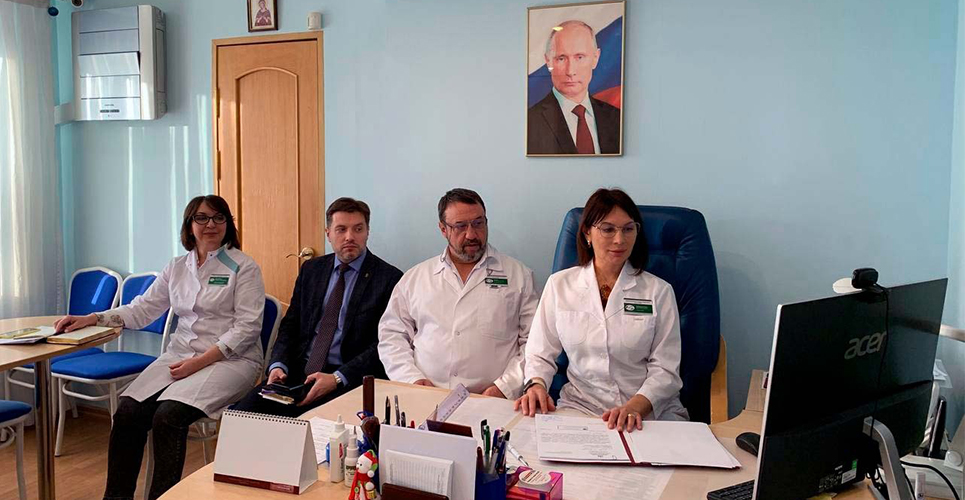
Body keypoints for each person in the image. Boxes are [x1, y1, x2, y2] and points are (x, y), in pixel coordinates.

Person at [55, 195, 265, 500]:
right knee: (127, 414)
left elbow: (247, 329)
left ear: (228, 224)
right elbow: (142, 309)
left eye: (219, 218)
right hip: (181, 356)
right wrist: (93, 317)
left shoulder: (243, 267)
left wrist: (198, 363)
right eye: (202, 218)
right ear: (189, 225)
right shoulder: (177, 267)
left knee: (167, 417)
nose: (211, 224)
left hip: (232, 361)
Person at [515, 188, 688, 432]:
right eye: (608, 229)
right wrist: (536, 385)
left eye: (628, 229)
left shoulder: (658, 291)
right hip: (581, 409)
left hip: (648, 413)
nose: (619, 240)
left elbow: (666, 369)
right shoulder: (560, 285)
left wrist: (635, 406)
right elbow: (539, 353)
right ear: (587, 232)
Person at [233, 198, 403, 416]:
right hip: (297, 373)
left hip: (347, 379)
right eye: (341, 229)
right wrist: (278, 365)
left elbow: (384, 344)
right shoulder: (312, 270)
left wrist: (337, 378)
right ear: (328, 233)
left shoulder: (389, 279)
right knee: (241, 417)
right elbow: (291, 325)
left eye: (358, 229)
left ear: (367, 232)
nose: (349, 237)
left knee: (310, 425)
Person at [378, 188, 538, 399]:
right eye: (460, 226)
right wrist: (412, 380)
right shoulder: (416, 278)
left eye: (478, 223)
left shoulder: (518, 276)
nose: (471, 234)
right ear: (443, 229)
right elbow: (392, 335)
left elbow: (534, 342)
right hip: (427, 396)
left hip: (493, 399)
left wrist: (505, 387)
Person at [527, 20, 621, 155]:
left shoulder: (616, 118)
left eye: (580, 57)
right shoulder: (529, 122)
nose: (570, 71)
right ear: (548, 61)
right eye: (561, 58)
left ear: (595, 58)